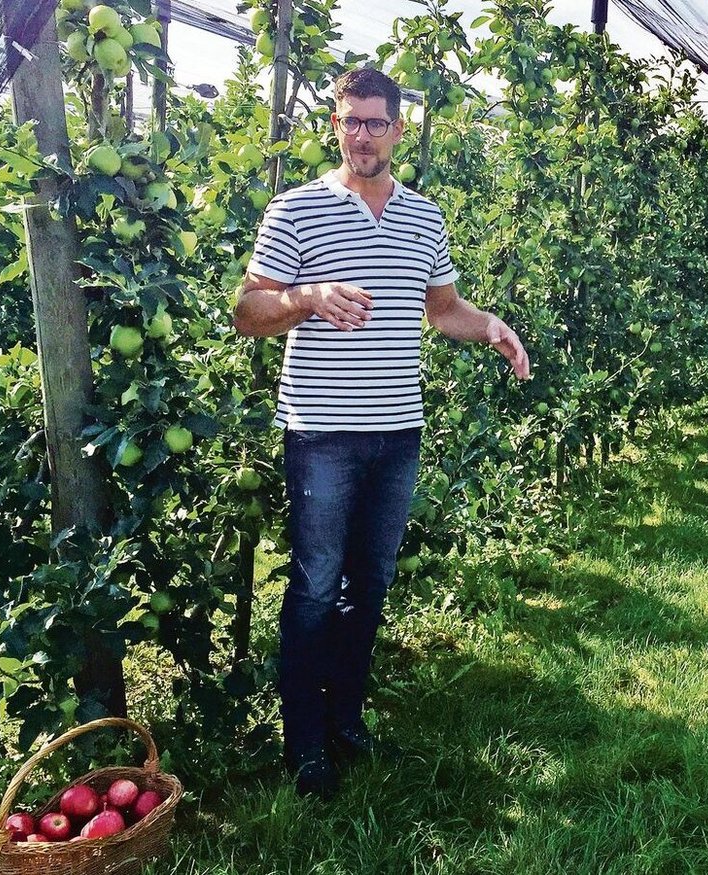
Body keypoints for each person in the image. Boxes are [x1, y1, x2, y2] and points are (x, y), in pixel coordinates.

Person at [232, 67, 530, 799]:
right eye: (349, 121)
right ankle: (304, 741)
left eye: (375, 122)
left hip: (397, 432)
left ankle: (346, 718)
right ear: (335, 125)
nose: (361, 135)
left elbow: (443, 309)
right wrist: (308, 297)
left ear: (398, 129)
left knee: (368, 585)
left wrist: (491, 327)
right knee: (314, 586)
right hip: (322, 432)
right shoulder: (296, 209)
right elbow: (247, 311)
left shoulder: (424, 217)